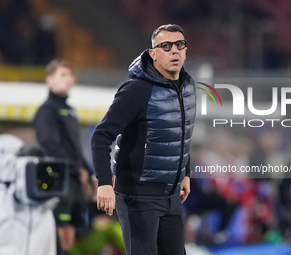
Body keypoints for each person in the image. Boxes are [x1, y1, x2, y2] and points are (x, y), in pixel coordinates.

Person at [91, 24, 196, 255]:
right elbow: (101, 136)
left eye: (180, 45)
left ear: (186, 50)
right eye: (166, 46)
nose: (174, 51)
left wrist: (185, 172)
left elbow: (181, 134)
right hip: (138, 196)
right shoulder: (136, 90)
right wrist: (105, 183)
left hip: (171, 197)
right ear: (153, 54)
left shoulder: (188, 87)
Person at [34, 60, 93, 255]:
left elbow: (75, 147)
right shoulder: (46, 110)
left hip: (75, 179)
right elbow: (50, 144)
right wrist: (76, 168)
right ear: (49, 80)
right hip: (58, 178)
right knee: (59, 222)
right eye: (63, 75)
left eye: (70, 75)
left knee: (71, 224)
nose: (69, 79)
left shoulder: (70, 110)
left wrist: (87, 171)